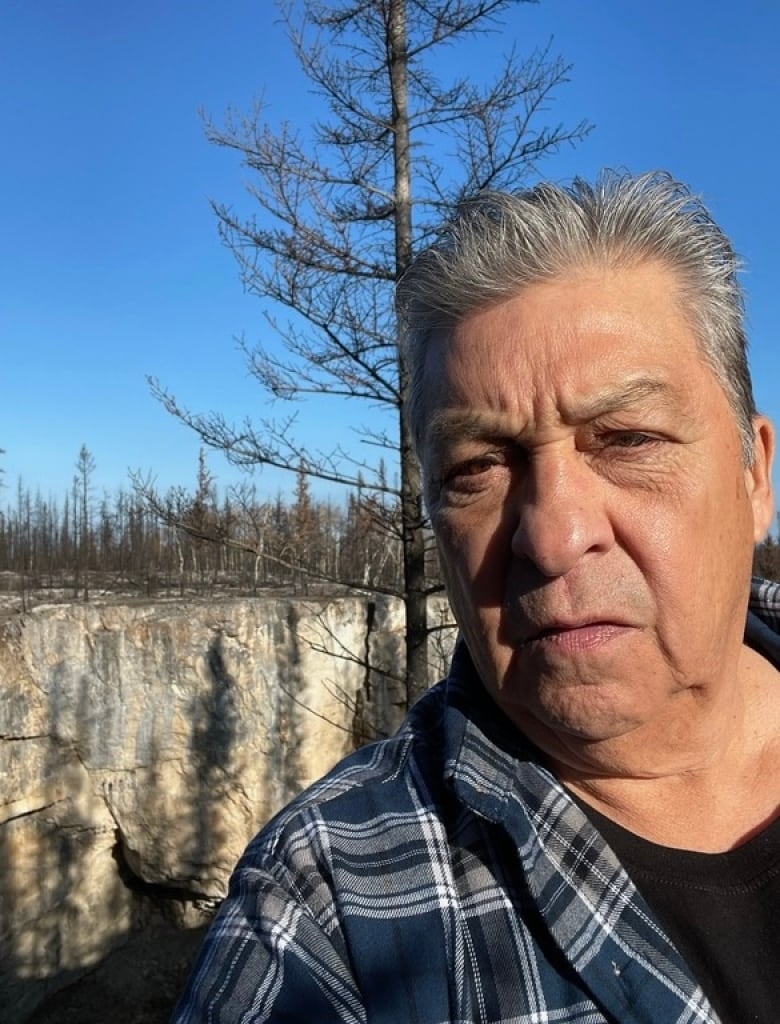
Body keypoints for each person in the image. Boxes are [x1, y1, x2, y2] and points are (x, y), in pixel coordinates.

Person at [172, 171, 779, 1024]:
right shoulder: (329, 911)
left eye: (629, 438)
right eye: (476, 470)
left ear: (755, 475)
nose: (553, 535)